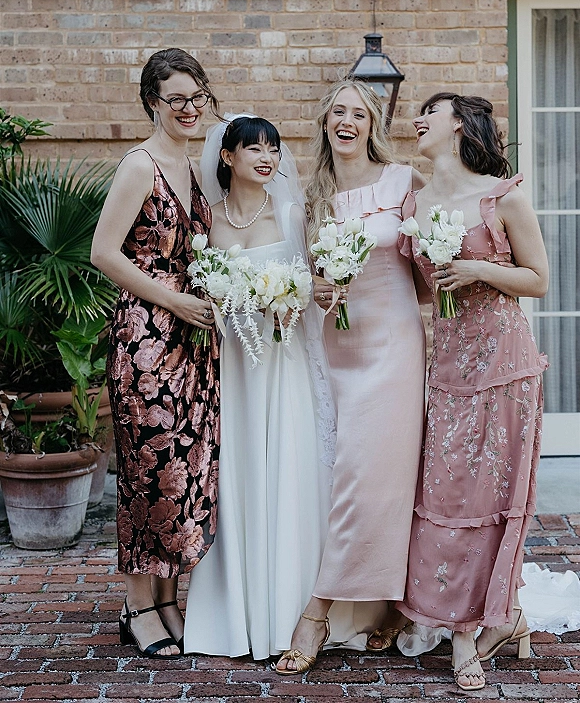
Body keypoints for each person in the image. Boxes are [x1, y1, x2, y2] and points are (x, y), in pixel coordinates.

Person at [395, 93, 548, 691]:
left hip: (505, 366)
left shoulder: (502, 195)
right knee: (451, 495)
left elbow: (537, 278)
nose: (417, 121)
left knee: (490, 496)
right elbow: (422, 291)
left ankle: (470, 634)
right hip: (447, 366)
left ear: (458, 124)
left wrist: (480, 268)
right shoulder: (416, 203)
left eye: (428, 112)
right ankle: (504, 617)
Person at [276, 78, 427, 674]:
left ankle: (317, 609)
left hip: (394, 346)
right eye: (337, 111)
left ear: (373, 123)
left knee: (365, 476)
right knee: (366, 477)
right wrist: (315, 291)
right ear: (324, 123)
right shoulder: (311, 197)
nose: (347, 121)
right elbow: (306, 287)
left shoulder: (402, 182)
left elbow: (423, 270)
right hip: (337, 348)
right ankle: (393, 605)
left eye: (358, 112)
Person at [183, 115, 337, 660]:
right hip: (233, 372)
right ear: (228, 157)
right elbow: (202, 291)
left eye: (273, 147)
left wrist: (299, 297)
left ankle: (291, 614)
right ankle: (235, 615)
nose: (268, 157)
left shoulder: (293, 215)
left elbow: (319, 289)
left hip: (284, 365)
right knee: (239, 473)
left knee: (287, 472)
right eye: (254, 148)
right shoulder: (207, 223)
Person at [91, 48, 220, 659]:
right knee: (147, 472)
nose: (191, 108)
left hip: (192, 341)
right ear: (152, 103)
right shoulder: (140, 166)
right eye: (178, 99)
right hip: (147, 339)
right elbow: (105, 254)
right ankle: (138, 606)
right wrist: (173, 300)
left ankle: (169, 599)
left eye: (198, 97)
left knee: (181, 473)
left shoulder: (192, 168)